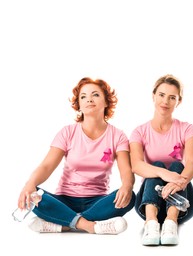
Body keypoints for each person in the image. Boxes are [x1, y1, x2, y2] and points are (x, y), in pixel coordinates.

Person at [16, 77, 135, 234]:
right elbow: (46, 166)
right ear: (79, 104)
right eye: (83, 97)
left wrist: (127, 186)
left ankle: (63, 223)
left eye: (95, 95)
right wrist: (29, 184)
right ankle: (91, 226)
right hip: (63, 200)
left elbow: (126, 170)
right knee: (32, 194)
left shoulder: (118, 136)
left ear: (106, 102)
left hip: (97, 201)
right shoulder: (67, 132)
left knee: (130, 197)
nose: (89, 99)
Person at [130, 74, 193, 246]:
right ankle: (151, 224)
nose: (165, 101)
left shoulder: (187, 129)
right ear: (153, 96)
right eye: (161, 95)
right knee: (157, 165)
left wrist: (179, 183)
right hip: (148, 203)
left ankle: (171, 223)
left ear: (178, 101)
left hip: (182, 203)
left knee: (177, 165)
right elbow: (137, 165)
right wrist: (164, 173)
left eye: (172, 97)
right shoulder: (139, 132)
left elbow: (191, 164)